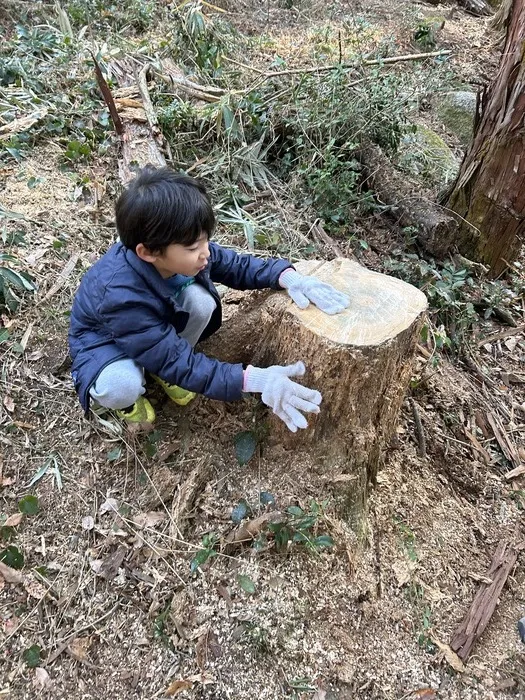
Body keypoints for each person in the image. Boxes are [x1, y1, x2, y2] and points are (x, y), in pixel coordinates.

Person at [68, 167, 350, 432]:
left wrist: (289, 277)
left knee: (201, 303)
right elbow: (182, 364)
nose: (205, 253)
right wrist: (254, 379)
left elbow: (236, 266)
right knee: (121, 385)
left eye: (205, 241)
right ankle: (128, 402)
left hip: (151, 330)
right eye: (193, 247)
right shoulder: (121, 297)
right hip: (105, 342)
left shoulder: (181, 249)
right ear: (148, 252)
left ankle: (162, 369)